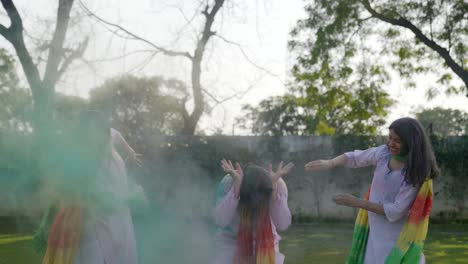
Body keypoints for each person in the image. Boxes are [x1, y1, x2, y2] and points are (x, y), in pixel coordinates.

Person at [305, 117, 440, 264]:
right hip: (374, 232)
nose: (391, 143)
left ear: (411, 142)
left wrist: (358, 203)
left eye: (397, 141)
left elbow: (395, 212)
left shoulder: (416, 172)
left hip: (398, 236)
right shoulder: (384, 153)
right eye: (390, 138)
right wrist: (330, 163)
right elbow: (355, 157)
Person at [42, 110, 143, 264]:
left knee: (123, 254)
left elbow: (116, 134)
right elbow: (102, 200)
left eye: (99, 129)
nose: (96, 135)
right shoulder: (87, 162)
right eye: (89, 130)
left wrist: (130, 151)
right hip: (96, 226)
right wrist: (133, 195)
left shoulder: (109, 139)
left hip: (120, 221)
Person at [213, 159, 294, 264]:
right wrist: (235, 192)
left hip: (266, 242)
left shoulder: (277, 183)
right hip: (232, 241)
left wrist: (273, 192)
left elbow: (282, 224)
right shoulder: (229, 182)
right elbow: (220, 221)